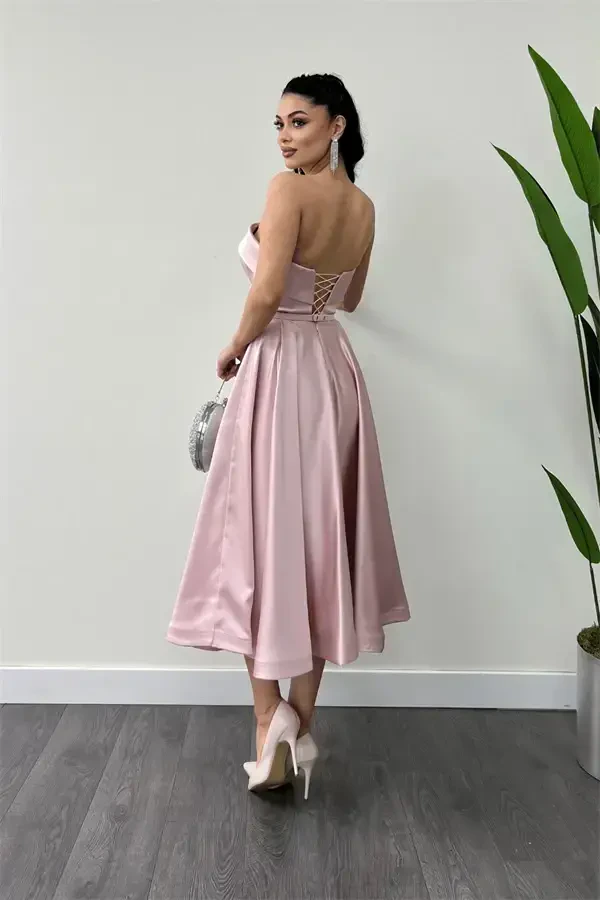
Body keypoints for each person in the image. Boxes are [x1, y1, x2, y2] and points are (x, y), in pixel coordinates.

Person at [166, 73, 410, 799]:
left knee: (261, 539)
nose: (284, 137)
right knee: (319, 542)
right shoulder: (362, 206)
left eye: (299, 122)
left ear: (337, 125)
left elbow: (268, 292)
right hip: (333, 371)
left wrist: (233, 347)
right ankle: (298, 729)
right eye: (277, 124)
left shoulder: (287, 191)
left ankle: (266, 721)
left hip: (277, 370)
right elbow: (351, 298)